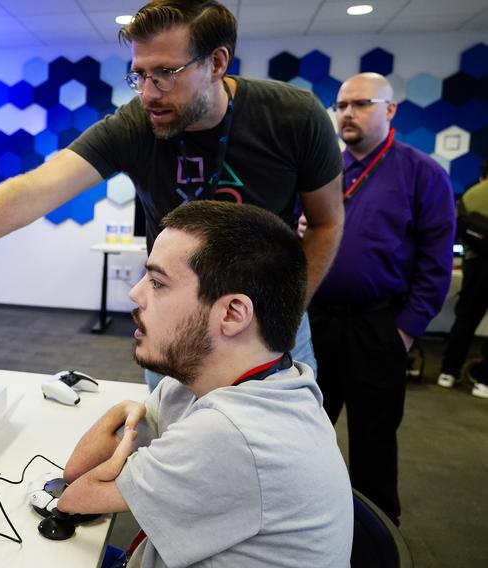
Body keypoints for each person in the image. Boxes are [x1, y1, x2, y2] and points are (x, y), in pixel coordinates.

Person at [0, 0, 345, 390]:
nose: (149, 92)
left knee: (273, 469)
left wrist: (288, 310)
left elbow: (326, 222)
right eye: (139, 75)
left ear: (217, 62)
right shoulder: (135, 125)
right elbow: (32, 192)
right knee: (176, 457)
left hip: (268, 323)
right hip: (173, 320)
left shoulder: (293, 116)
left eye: (166, 73)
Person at [57, 201, 353, 568]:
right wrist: (122, 414)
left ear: (232, 313)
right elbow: (75, 473)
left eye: (157, 282)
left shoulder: (236, 433)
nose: (135, 294)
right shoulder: (263, 380)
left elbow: (73, 497)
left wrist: (126, 416)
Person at [309, 73, 455, 525]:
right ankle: (307, 523)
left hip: (379, 326)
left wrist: (407, 329)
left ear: (390, 110)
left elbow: (436, 261)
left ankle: (377, 536)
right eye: (341, 105)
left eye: (361, 104)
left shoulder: (420, 172)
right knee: (306, 431)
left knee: (373, 440)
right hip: (318, 324)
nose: (347, 113)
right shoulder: (325, 168)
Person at [438, 159, 488, 399]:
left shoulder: (471, 194)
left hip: (475, 266)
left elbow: (458, 229)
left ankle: (448, 372)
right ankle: (484, 382)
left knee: (465, 319)